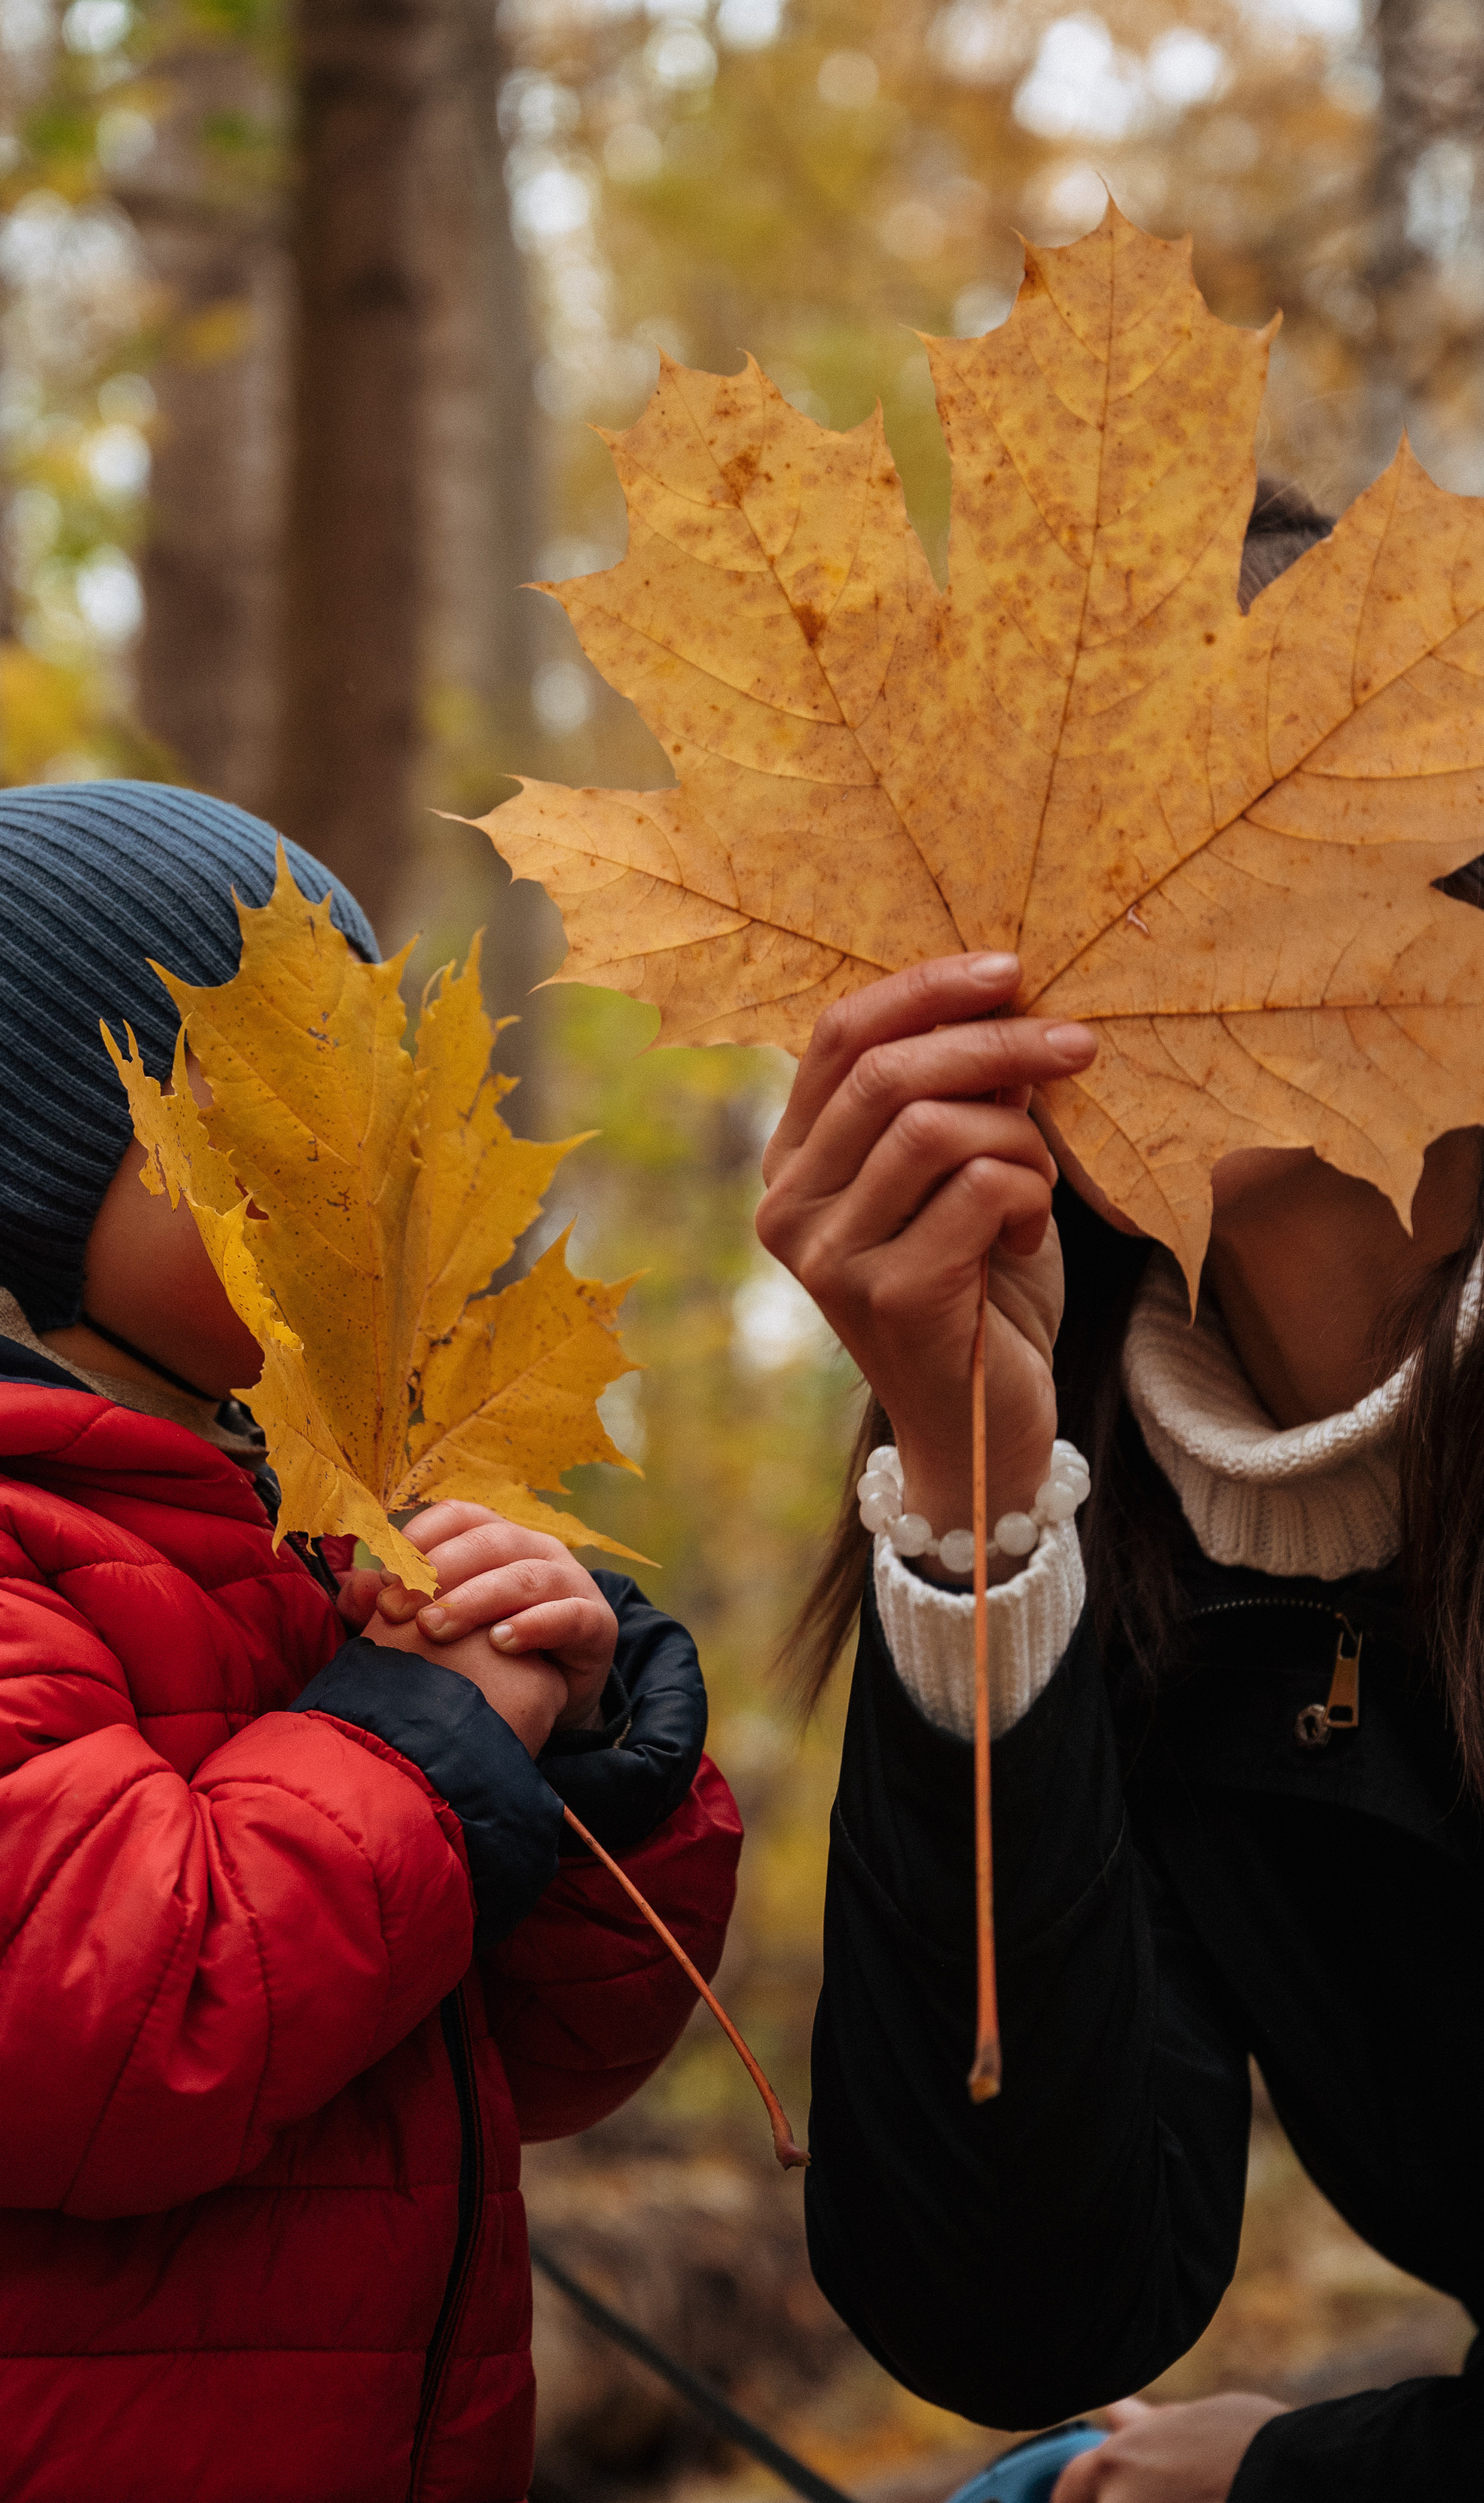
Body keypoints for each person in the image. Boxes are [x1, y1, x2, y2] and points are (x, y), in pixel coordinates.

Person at [0, 782, 740, 2503]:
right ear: (3, 1160)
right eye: (282, 1101)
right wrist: (428, 1738)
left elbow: (545, 2063)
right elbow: (107, 2035)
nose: (367, 1166)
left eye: (382, 1100)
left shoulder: (297, 1536)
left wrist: (583, 1747)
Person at [757, 485, 1484, 2502]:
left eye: (1192, 843)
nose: (1065, 932)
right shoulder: (1126, 1525)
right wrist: (979, 1511)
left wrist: (1303, 2479)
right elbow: (1022, 2308)